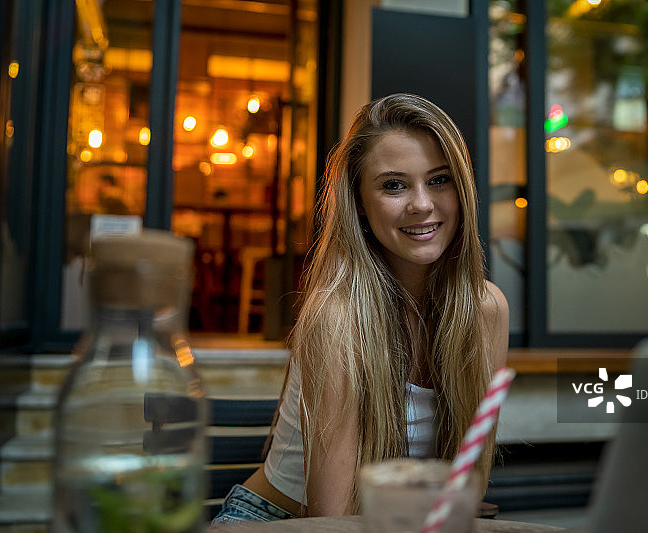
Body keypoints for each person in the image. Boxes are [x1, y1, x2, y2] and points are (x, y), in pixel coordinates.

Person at [212, 93, 509, 524]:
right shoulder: (337, 318)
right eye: (394, 185)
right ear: (359, 202)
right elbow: (331, 517)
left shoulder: (486, 309)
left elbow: (470, 484)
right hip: (279, 522)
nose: (422, 204)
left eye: (439, 180)